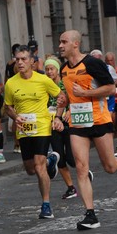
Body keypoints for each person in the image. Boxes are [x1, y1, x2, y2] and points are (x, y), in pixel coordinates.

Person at [59, 30, 117, 230]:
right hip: (77, 124)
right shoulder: (64, 69)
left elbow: (111, 88)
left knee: (108, 166)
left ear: (75, 44)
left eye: (63, 42)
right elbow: (69, 94)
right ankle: (90, 215)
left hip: (99, 120)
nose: (60, 45)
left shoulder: (92, 63)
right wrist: (64, 100)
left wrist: (86, 92)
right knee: (81, 168)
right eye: (60, 42)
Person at [4, 45, 65, 219]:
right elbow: (7, 107)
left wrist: (58, 117)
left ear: (32, 61)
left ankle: (46, 205)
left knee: (39, 166)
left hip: (42, 126)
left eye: (24, 59)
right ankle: (51, 159)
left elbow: (61, 97)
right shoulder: (11, 83)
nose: (20, 62)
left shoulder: (43, 80)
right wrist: (16, 117)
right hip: (24, 130)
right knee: (31, 169)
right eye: (17, 59)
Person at [44, 56, 77, 199]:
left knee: (71, 158)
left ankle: (85, 172)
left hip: (67, 123)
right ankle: (71, 188)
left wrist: (69, 111)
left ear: (57, 70)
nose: (49, 72)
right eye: (47, 69)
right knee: (60, 158)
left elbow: (74, 98)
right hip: (52, 125)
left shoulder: (64, 83)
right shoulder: (44, 85)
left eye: (51, 69)